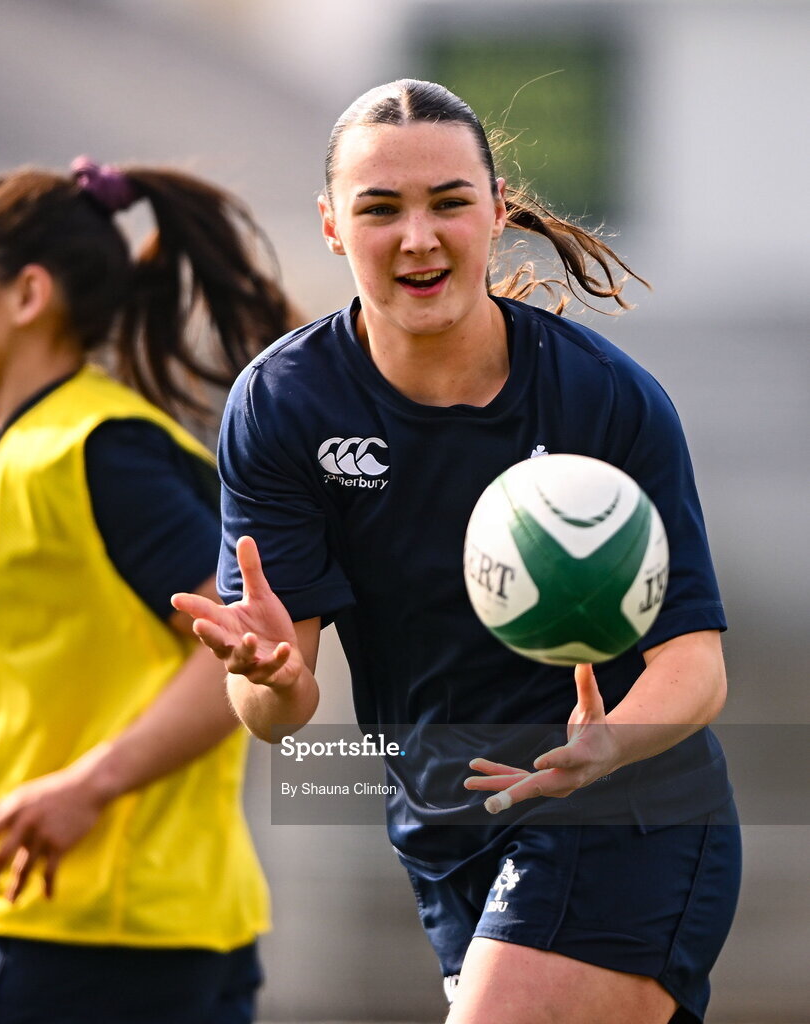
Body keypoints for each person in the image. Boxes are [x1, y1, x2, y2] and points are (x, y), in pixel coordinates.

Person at [171, 80, 741, 1024]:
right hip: (449, 838)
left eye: (448, 202)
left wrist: (605, 745)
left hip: (625, 806)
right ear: (329, 225)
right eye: (380, 208)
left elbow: (696, 665)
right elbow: (278, 712)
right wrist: (266, 673)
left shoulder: (603, 400)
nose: (418, 237)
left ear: (496, 208)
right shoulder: (284, 408)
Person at [0, 156, 294, 1024]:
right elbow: (55, 653)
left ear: (28, 295)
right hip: (55, 920)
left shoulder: (109, 453)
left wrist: (88, 789)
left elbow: (237, 664)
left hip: (128, 929)